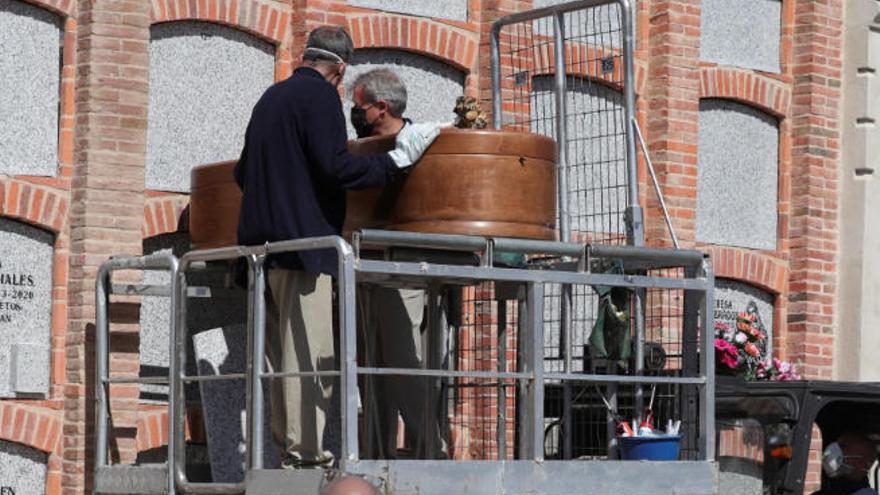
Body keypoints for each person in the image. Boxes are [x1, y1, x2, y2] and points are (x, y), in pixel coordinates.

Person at [234, 26, 442, 469]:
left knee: (283, 362)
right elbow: (337, 167)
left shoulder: (270, 98)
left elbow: (242, 173)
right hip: (303, 249)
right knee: (310, 361)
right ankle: (307, 459)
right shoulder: (321, 98)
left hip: (260, 255)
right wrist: (393, 162)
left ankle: (291, 456)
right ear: (339, 69)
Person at [349, 68, 447, 460]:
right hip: (364, 266)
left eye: (359, 107)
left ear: (381, 107)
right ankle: (376, 455)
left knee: (404, 365)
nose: (354, 114)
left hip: (402, 267)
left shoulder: (418, 139)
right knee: (369, 369)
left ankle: (430, 453)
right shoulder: (361, 146)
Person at [814, 431, 879, 495]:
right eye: (837, 443)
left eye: (842, 446)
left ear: (861, 464)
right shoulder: (828, 484)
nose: (832, 449)